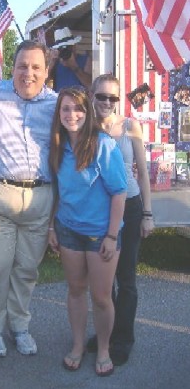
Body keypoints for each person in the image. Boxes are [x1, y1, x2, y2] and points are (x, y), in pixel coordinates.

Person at [0, 40, 57, 357]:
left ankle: (19, 326)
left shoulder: (59, 105)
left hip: (40, 199)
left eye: (35, 67)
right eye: (22, 66)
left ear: (46, 71)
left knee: (27, 271)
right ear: (12, 68)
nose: (28, 73)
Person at [48, 88, 127, 377]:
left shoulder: (103, 144)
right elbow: (60, 190)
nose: (72, 115)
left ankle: (103, 348)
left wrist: (111, 236)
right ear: (59, 113)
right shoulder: (57, 145)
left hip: (99, 235)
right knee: (76, 290)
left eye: (78, 109)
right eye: (65, 109)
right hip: (68, 230)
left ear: (88, 111)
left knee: (101, 296)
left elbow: (119, 192)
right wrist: (51, 225)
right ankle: (79, 345)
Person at [87, 74, 154, 365]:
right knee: (104, 279)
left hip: (130, 205)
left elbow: (142, 171)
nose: (106, 102)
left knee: (125, 278)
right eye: (100, 96)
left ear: (118, 99)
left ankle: (123, 339)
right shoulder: (84, 127)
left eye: (112, 97)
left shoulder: (130, 127)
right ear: (92, 96)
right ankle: (106, 333)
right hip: (99, 211)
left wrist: (148, 214)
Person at [47, 27, 92, 91]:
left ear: (74, 46)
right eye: (62, 49)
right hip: (60, 99)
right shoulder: (56, 62)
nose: (66, 51)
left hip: (79, 99)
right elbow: (43, 82)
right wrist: (52, 62)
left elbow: (89, 84)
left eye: (68, 47)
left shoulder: (86, 59)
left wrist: (74, 67)